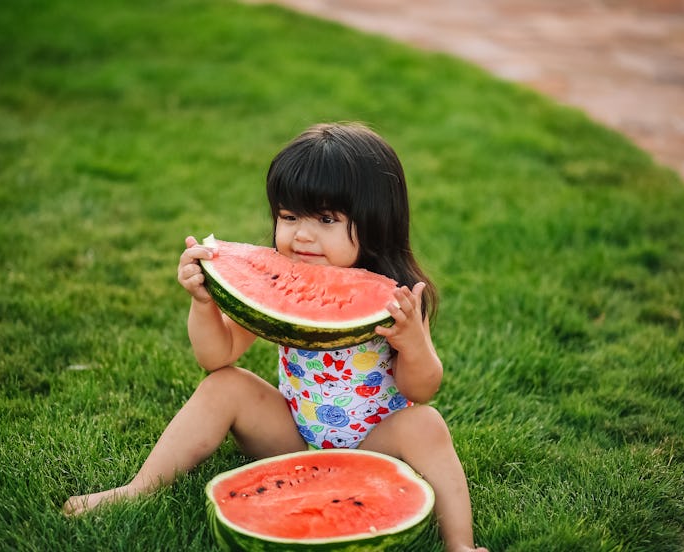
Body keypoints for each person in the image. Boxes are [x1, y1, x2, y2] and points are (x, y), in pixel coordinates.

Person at [63, 122, 488, 552]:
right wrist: (204, 302)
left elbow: (423, 389)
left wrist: (412, 342)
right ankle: (138, 487)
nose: (302, 234)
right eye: (288, 217)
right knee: (223, 385)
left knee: (426, 424)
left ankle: (460, 544)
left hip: (375, 444)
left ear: (376, 222)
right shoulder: (277, 287)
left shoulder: (397, 298)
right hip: (294, 438)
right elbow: (217, 356)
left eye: (326, 219)